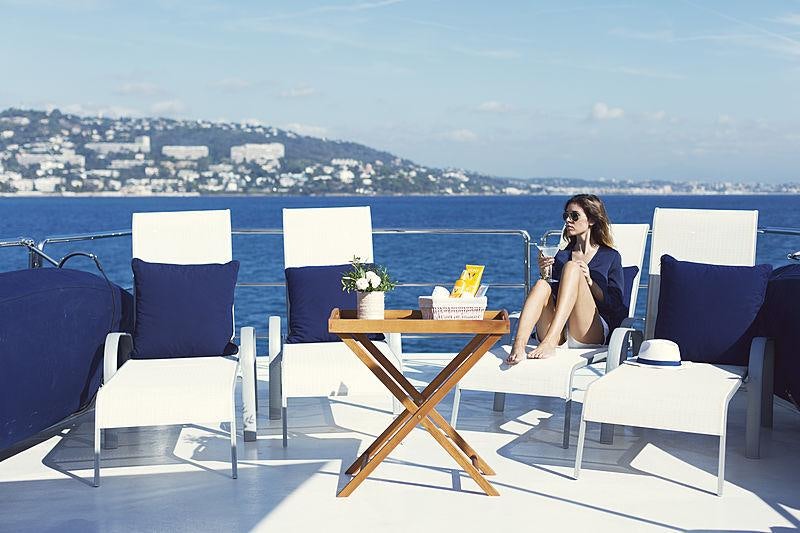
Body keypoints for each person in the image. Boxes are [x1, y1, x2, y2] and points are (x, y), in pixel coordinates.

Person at [506, 194, 627, 364]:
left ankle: (549, 342)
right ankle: (518, 346)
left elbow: (616, 304)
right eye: (566, 216)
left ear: (591, 220)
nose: (568, 220)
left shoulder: (610, 256)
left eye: (574, 216)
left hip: (589, 331)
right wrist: (545, 274)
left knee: (572, 267)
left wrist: (590, 282)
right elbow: (555, 297)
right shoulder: (561, 256)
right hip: (561, 332)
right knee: (541, 284)